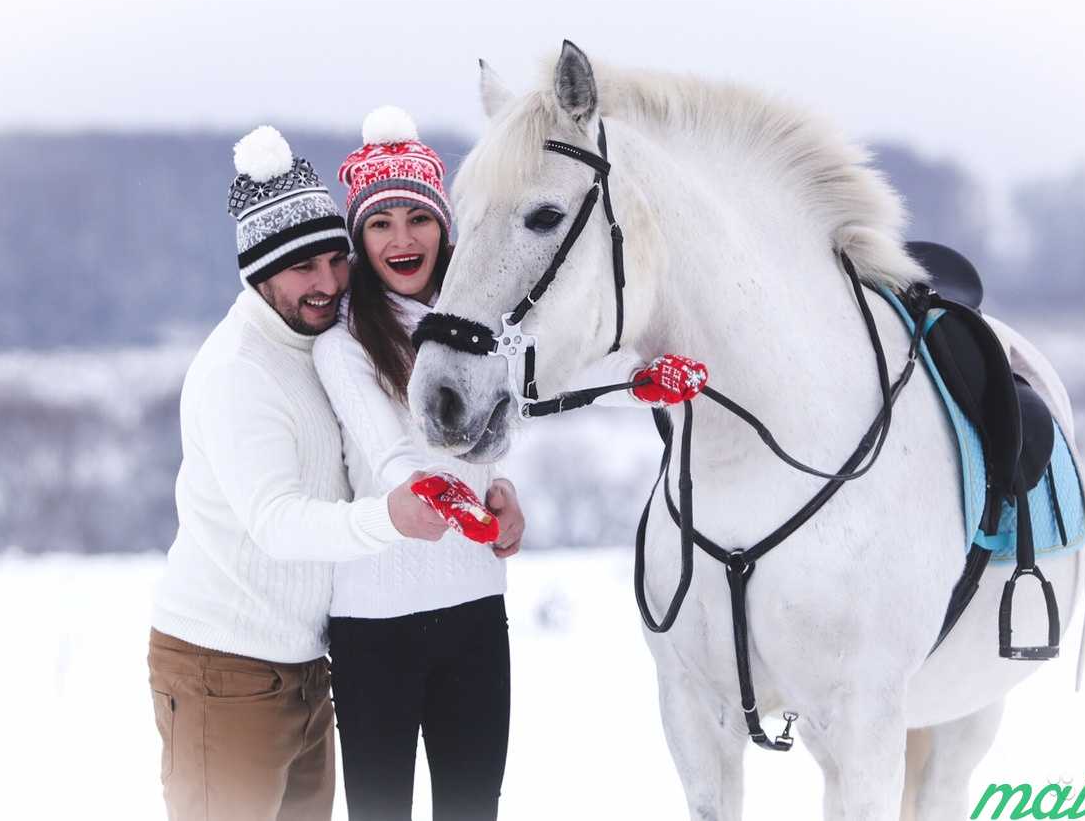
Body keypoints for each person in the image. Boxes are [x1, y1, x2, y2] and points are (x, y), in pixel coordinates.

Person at [312, 106, 708, 821]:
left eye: (417, 218)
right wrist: (426, 491)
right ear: (360, 238)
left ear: (445, 226)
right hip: (374, 632)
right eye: (380, 223)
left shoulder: (481, 329)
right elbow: (389, 448)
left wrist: (638, 383)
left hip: (473, 615)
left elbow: (545, 383)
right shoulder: (342, 345)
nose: (402, 239)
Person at [146, 125, 496, 821]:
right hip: (225, 666)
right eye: (303, 268)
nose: (329, 283)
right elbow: (277, 521)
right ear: (259, 272)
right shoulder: (240, 371)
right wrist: (388, 518)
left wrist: (492, 487)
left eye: (336, 261)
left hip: (305, 667)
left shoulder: (316, 343)